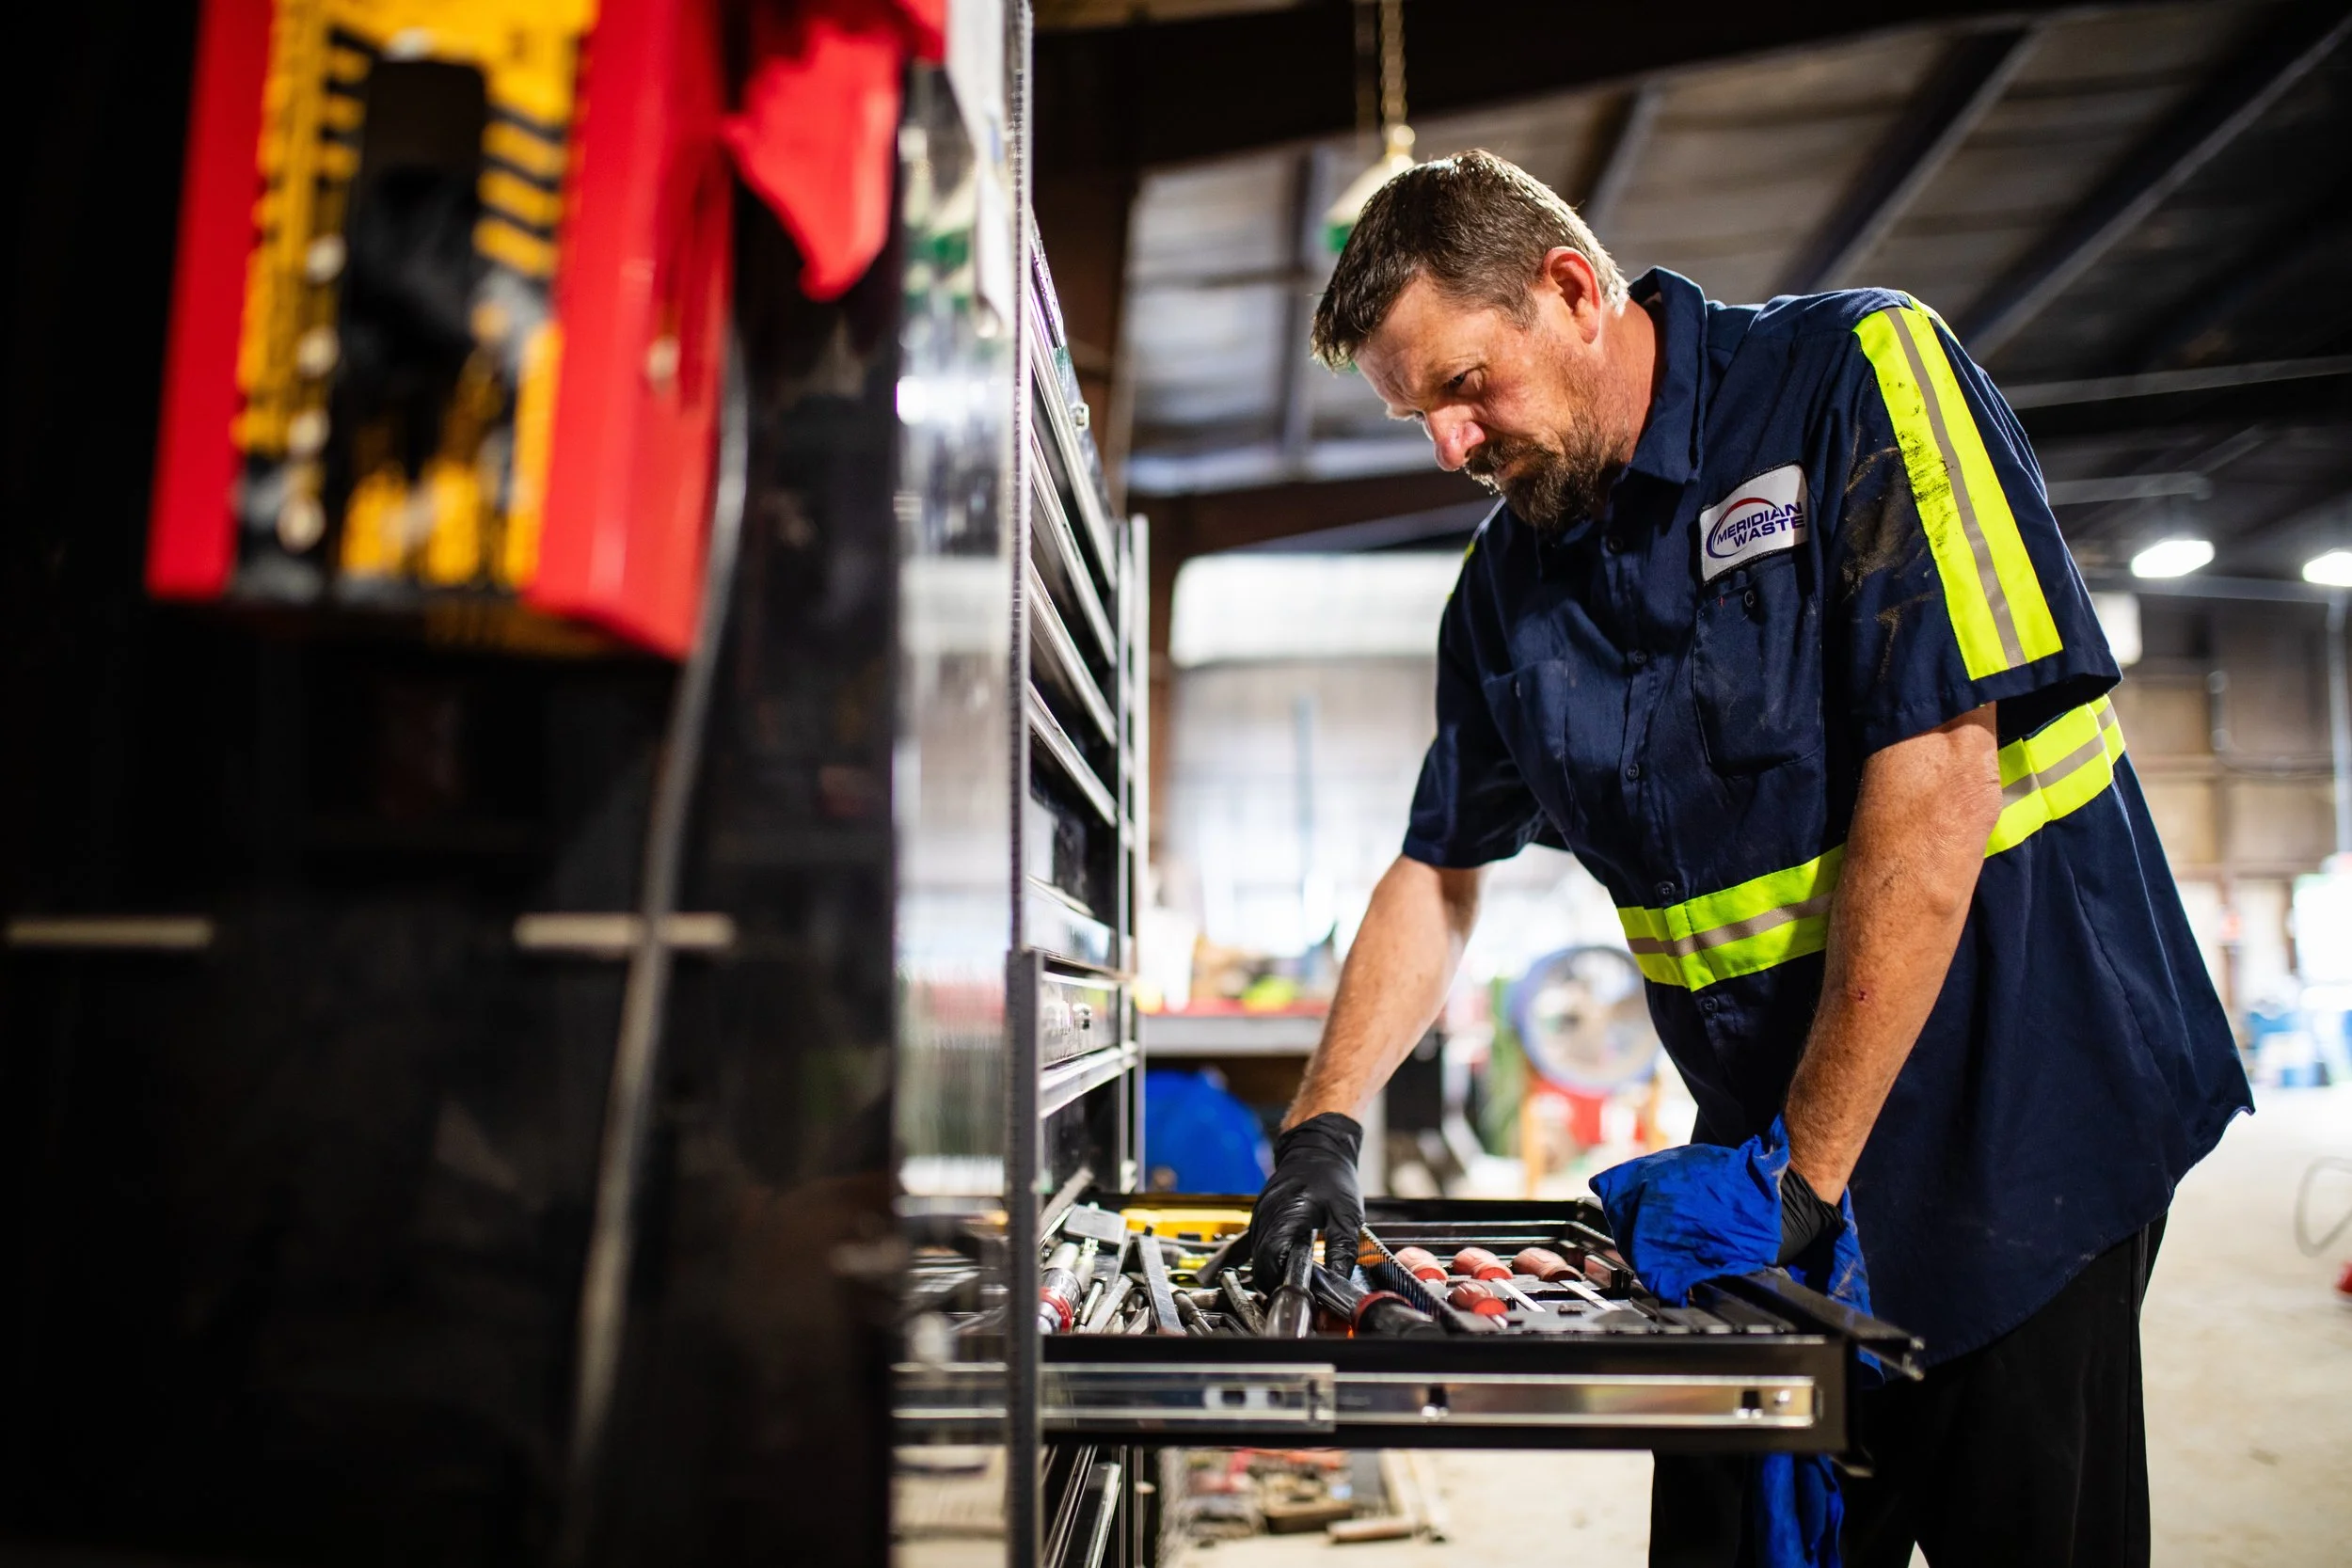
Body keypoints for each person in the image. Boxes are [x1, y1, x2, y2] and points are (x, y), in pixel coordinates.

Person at [1243, 150, 2250, 1567]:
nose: (1448, 447)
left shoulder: (1852, 379)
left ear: (1573, 290)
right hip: (1761, 1183)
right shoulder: (1507, 593)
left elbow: (1942, 777)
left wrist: (1803, 1180)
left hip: (2019, 1137)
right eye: (1419, 414)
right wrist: (1323, 1131)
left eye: (1465, 385)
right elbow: (1440, 868)